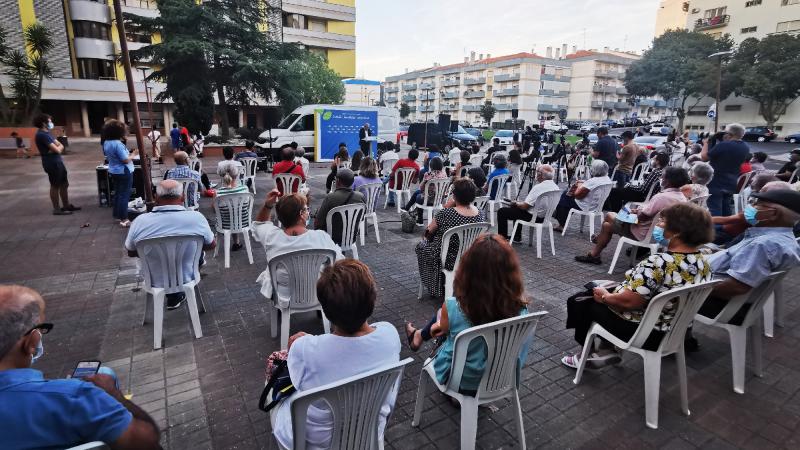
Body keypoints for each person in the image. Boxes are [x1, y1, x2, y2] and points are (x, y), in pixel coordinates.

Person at [0, 285, 161, 449]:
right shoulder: (74, 397)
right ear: (31, 342)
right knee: (105, 376)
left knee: (104, 372)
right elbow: (147, 442)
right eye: (41, 329)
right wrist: (115, 395)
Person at [561, 203, 714, 368]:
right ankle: (606, 348)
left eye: (663, 221)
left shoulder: (659, 262)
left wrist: (604, 296)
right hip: (673, 328)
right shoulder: (704, 261)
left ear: (677, 231)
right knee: (595, 296)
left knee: (580, 301)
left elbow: (630, 303)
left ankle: (588, 354)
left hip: (645, 331)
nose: (658, 225)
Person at [272, 259, 400, 449]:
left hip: (319, 442)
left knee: (275, 393)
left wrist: (305, 342)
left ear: (326, 310)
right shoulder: (390, 334)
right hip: (369, 430)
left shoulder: (306, 348)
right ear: (372, 300)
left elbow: (297, 377)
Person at [405, 234, 529, 393]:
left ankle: (419, 336)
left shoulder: (454, 307)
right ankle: (419, 335)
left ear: (468, 269)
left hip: (460, 381)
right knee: (445, 320)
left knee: (443, 322)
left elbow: (442, 329)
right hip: (500, 380)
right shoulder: (522, 310)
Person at [696, 189, 800, 327]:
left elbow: (736, 287)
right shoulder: (782, 238)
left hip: (722, 305)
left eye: (758, 204)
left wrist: (690, 286)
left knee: (662, 286)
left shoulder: (763, 245)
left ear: (773, 214)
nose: (750, 207)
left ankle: (665, 340)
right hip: (725, 292)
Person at [125, 180, 215, 310]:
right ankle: (178, 292)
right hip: (187, 276)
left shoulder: (140, 222)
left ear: (156, 197)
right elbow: (211, 245)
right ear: (183, 197)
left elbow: (131, 251)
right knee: (198, 251)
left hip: (154, 279)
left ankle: (173, 294)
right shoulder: (197, 218)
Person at [575, 166, 690, 265]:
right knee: (607, 226)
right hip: (660, 234)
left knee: (610, 215)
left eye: (663, 177)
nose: (661, 179)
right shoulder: (682, 198)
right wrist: (640, 210)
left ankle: (597, 240)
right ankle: (594, 255)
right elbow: (651, 212)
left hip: (642, 232)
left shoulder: (662, 197)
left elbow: (642, 218)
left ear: (668, 181)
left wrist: (633, 214)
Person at [253, 189, 344, 302]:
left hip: (284, 298)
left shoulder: (271, 237)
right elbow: (339, 261)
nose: (308, 212)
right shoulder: (321, 237)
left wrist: (268, 205)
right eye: (307, 209)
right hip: (317, 294)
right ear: (301, 214)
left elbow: (259, 224)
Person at [415, 179, 486, 298]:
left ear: (455, 196)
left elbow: (427, 233)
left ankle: (434, 284)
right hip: (472, 255)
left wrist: (446, 208)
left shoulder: (447, 213)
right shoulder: (481, 213)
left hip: (448, 258)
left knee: (421, 246)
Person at [712, 179, 789, 246]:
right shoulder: (782, 214)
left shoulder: (761, 211)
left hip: (725, 235)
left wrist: (704, 218)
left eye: (763, 191)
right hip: (740, 238)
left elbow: (727, 220)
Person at [496, 164, 561, 241]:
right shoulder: (556, 187)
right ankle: (516, 236)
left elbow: (525, 207)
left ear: (542, 176)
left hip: (533, 217)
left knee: (502, 211)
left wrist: (516, 203)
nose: (536, 174)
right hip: (545, 217)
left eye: (537, 172)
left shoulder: (538, 187)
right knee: (516, 208)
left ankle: (502, 238)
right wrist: (518, 203)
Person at [34, 114, 80, 216]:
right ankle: (56, 209)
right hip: (51, 163)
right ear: (43, 123)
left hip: (57, 161)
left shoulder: (47, 133)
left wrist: (57, 148)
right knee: (55, 185)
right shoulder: (41, 135)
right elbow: (57, 149)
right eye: (49, 121)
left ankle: (66, 205)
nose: (51, 123)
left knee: (64, 184)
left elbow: (60, 145)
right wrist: (57, 148)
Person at [702, 123, 751, 216]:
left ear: (729, 134)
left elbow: (704, 158)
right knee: (726, 207)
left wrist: (705, 143)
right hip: (732, 181)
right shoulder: (745, 146)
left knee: (714, 208)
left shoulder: (724, 145)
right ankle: (726, 227)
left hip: (716, 181)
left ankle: (716, 228)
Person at [553, 160, 614, 232]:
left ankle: (561, 222)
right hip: (597, 205)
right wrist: (583, 184)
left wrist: (579, 185)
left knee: (565, 195)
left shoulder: (593, 181)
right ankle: (559, 215)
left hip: (586, 206)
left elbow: (578, 195)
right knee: (567, 197)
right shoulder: (607, 179)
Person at [605, 152, 670, 212]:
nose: (653, 161)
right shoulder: (662, 172)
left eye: (655, 159)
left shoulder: (655, 172)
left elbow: (642, 189)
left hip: (642, 196)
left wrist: (630, 186)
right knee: (619, 191)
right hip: (647, 195)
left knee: (614, 192)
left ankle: (616, 213)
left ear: (658, 161)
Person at [315, 169, 366, 243]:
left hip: (331, 239)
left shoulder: (330, 197)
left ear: (338, 181)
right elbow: (361, 218)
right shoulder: (360, 197)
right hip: (350, 238)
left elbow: (318, 223)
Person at [102, 120, 137, 227]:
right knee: (124, 195)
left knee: (118, 193)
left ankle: (117, 215)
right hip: (124, 170)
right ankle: (124, 219)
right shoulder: (118, 144)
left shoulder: (107, 142)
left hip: (114, 170)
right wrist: (134, 154)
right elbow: (125, 160)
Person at [404, 156, 447, 222]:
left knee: (418, 196)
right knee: (417, 193)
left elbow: (421, 188)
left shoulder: (428, 174)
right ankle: (407, 208)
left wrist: (424, 180)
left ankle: (419, 219)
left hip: (428, 200)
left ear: (431, 166)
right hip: (439, 199)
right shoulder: (444, 174)